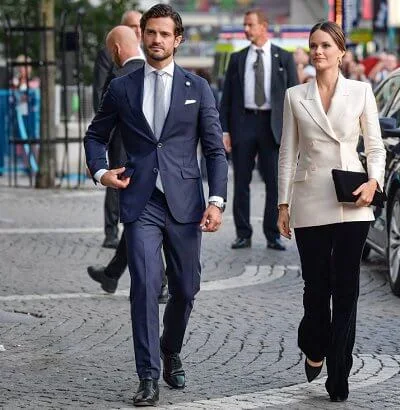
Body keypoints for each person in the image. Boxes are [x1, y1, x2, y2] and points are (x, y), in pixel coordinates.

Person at [84, 4, 228, 406]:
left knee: (186, 288)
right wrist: (101, 173)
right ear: (142, 36)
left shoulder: (197, 88)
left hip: (185, 203)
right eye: (151, 33)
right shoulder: (122, 87)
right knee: (145, 287)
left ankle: (170, 348)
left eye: (165, 34)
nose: (157, 40)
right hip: (141, 201)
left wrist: (216, 200)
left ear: (177, 39)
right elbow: (95, 136)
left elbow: (215, 152)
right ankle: (147, 375)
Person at [277, 21, 386, 402]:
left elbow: (375, 146)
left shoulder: (361, 91)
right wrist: (283, 203)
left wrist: (374, 182)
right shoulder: (295, 96)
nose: (318, 51)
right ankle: (314, 343)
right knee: (315, 287)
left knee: (347, 288)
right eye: (313, 46)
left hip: (351, 198)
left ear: (341, 52)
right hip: (309, 200)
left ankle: (340, 371)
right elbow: (287, 153)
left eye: (326, 45)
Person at [86, 25, 168, 304]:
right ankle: (112, 273)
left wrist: (96, 163)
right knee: (140, 220)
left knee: (143, 222)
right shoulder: (157, 75)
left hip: (125, 163)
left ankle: (160, 284)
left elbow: (102, 127)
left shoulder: (118, 80)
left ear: (116, 50)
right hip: (161, 166)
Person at [219, 9, 298, 251]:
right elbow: (227, 98)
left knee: (274, 183)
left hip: (272, 126)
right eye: (245, 25)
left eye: (250, 25)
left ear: (263, 26)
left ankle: (272, 234)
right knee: (241, 181)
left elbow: (293, 95)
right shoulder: (237, 58)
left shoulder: (283, 58)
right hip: (243, 124)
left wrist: (293, 132)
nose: (246, 29)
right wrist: (224, 130)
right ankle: (243, 234)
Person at [93, 10, 144, 249]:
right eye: (132, 26)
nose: (137, 30)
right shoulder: (111, 53)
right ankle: (111, 231)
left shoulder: (152, 54)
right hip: (119, 132)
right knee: (116, 181)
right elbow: (100, 93)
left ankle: (112, 273)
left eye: (139, 25)